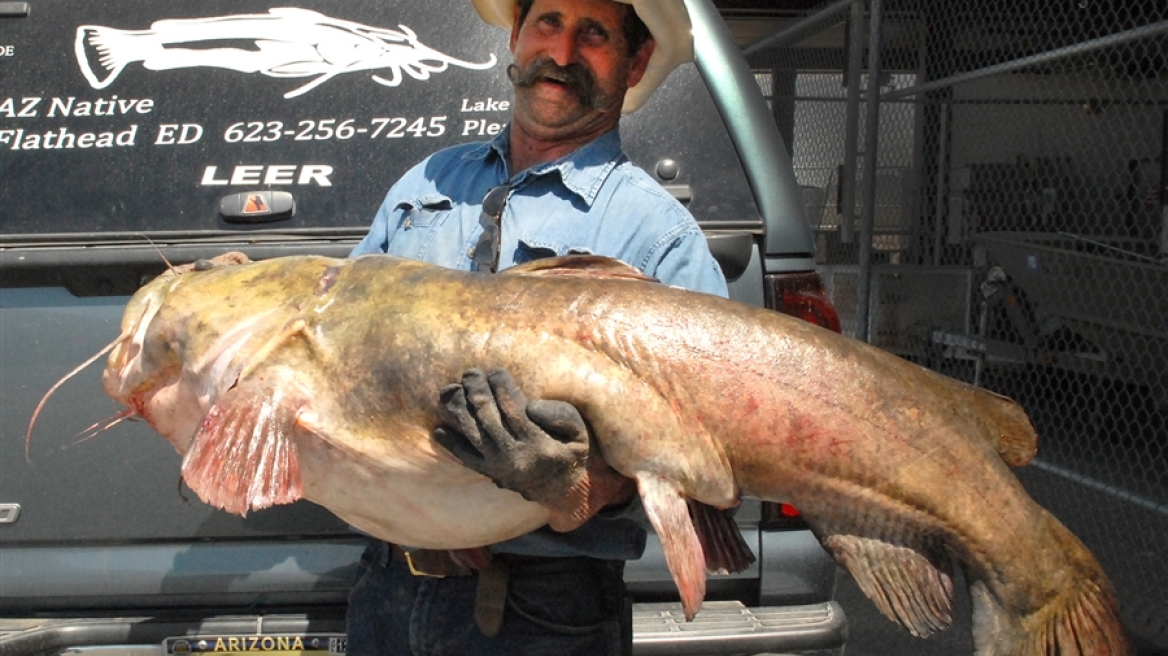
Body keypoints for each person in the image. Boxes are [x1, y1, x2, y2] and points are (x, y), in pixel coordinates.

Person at [346, 0, 728, 654]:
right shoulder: (425, 183)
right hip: (389, 588)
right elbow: (342, 344)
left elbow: (711, 443)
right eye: (547, 21)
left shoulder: (657, 236)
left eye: (595, 33)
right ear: (516, 38)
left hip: (545, 609)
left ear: (635, 62)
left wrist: (582, 484)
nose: (562, 50)